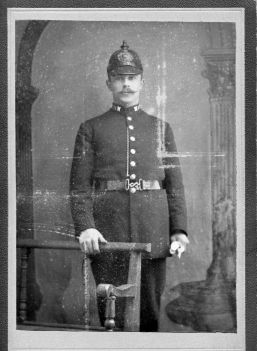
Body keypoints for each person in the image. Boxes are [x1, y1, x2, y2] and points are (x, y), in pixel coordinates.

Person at [70, 40, 189, 332]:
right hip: (108, 231)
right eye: (120, 78)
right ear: (109, 82)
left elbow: (174, 185)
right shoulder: (91, 128)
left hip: (154, 229)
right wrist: (85, 226)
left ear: (142, 82)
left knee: (148, 311)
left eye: (132, 78)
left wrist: (179, 229)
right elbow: (79, 186)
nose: (126, 84)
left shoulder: (161, 128)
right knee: (112, 310)